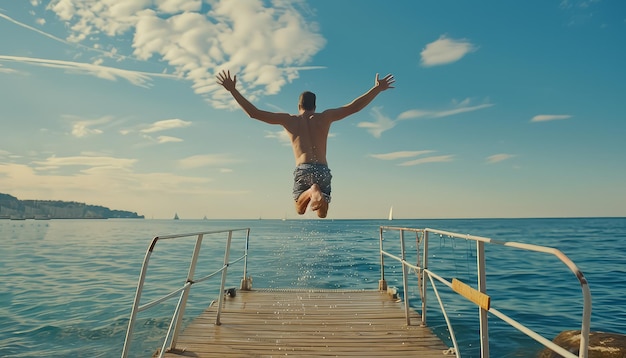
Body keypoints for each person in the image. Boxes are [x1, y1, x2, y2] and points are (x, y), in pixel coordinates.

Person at [216, 70, 394, 218]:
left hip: (304, 169)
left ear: (298, 105)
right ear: (315, 106)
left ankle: (311, 191)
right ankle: (315, 190)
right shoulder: (326, 117)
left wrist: (233, 90)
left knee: (299, 209)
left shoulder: (289, 120)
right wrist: (376, 89)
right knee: (322, 214)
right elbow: (354, 107)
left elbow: (254, 113)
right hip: (323, 169)